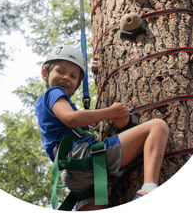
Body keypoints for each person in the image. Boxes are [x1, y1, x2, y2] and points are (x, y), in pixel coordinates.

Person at [34, 45, 170, 210]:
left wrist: (87, 122)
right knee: (157, 126)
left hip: (74, 175)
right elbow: (70, 118)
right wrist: (110, 112)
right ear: (44, 74)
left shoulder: (47, 104)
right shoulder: (53, 93)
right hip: (84, 157)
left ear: (77, 83)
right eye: (60, 71)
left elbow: (70, 121)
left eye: (73, 75)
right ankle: (148, 189)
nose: (66, 78)